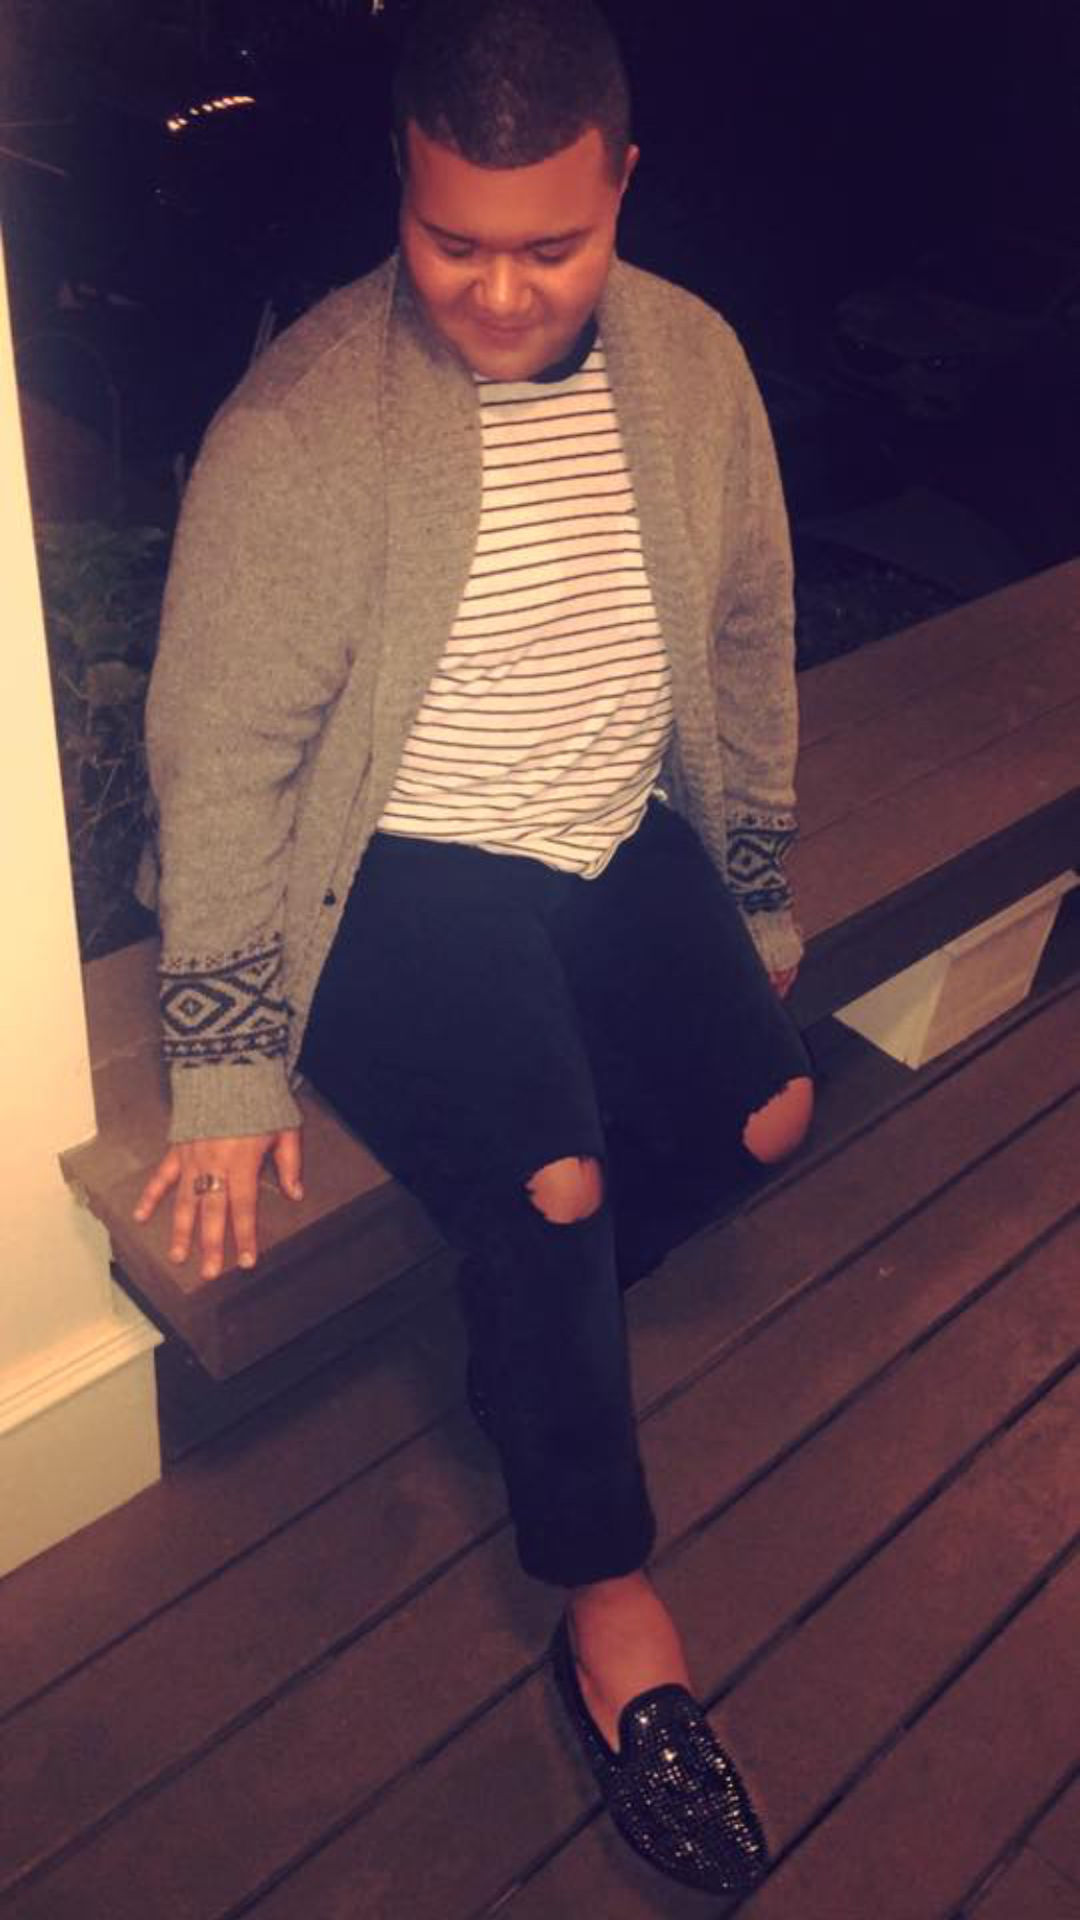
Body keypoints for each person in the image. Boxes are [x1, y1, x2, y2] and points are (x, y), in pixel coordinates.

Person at [134, 0, 813, 1894]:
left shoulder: (695, 364)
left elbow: (749, 638)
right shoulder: (300, 428)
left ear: (623, 186)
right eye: (455, 243)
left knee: (766, 1120)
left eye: (551, 246)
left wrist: (757, 889)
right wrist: (225, 1062)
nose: (502, 292)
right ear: (403, 189)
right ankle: (610, 1609)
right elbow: (221, 759)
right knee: (556, 1175)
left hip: (608, 834)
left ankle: (530, 1320)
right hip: (395, 874)